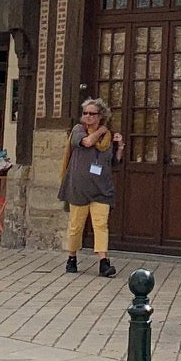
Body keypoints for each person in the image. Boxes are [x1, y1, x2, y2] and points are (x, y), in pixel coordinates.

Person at [57, 96, 123, 277]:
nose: (87, 116)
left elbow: (113, 163)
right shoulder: (79, 130)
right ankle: (72, 257)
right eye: (85, 113)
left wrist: (120, 148)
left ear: (100, 115)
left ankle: (103, 262)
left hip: (101, 190)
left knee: (101, 225)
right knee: (76, 226)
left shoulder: (108, 137)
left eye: (92, 114)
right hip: (79, 188)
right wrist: (101, 130)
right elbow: (87, 142)